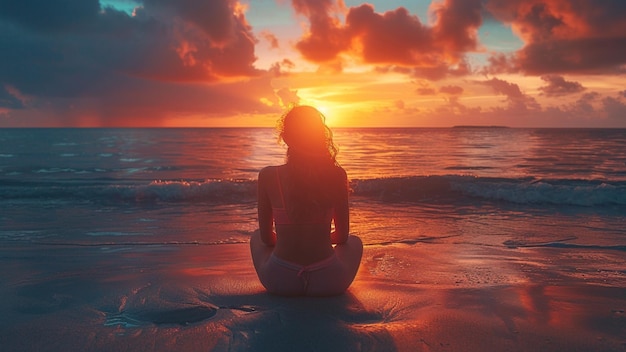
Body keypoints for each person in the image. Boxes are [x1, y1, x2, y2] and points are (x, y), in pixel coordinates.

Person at [250, 105, 363, 296]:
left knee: (255, 237)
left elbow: (266, 239)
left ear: (285, 138)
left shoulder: (268, 176)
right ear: (321, 136)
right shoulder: (336, 175)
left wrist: (290, 239)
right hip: (328, 280)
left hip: (280, 279)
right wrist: (315, 239)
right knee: (354, 242)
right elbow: (342, 237)